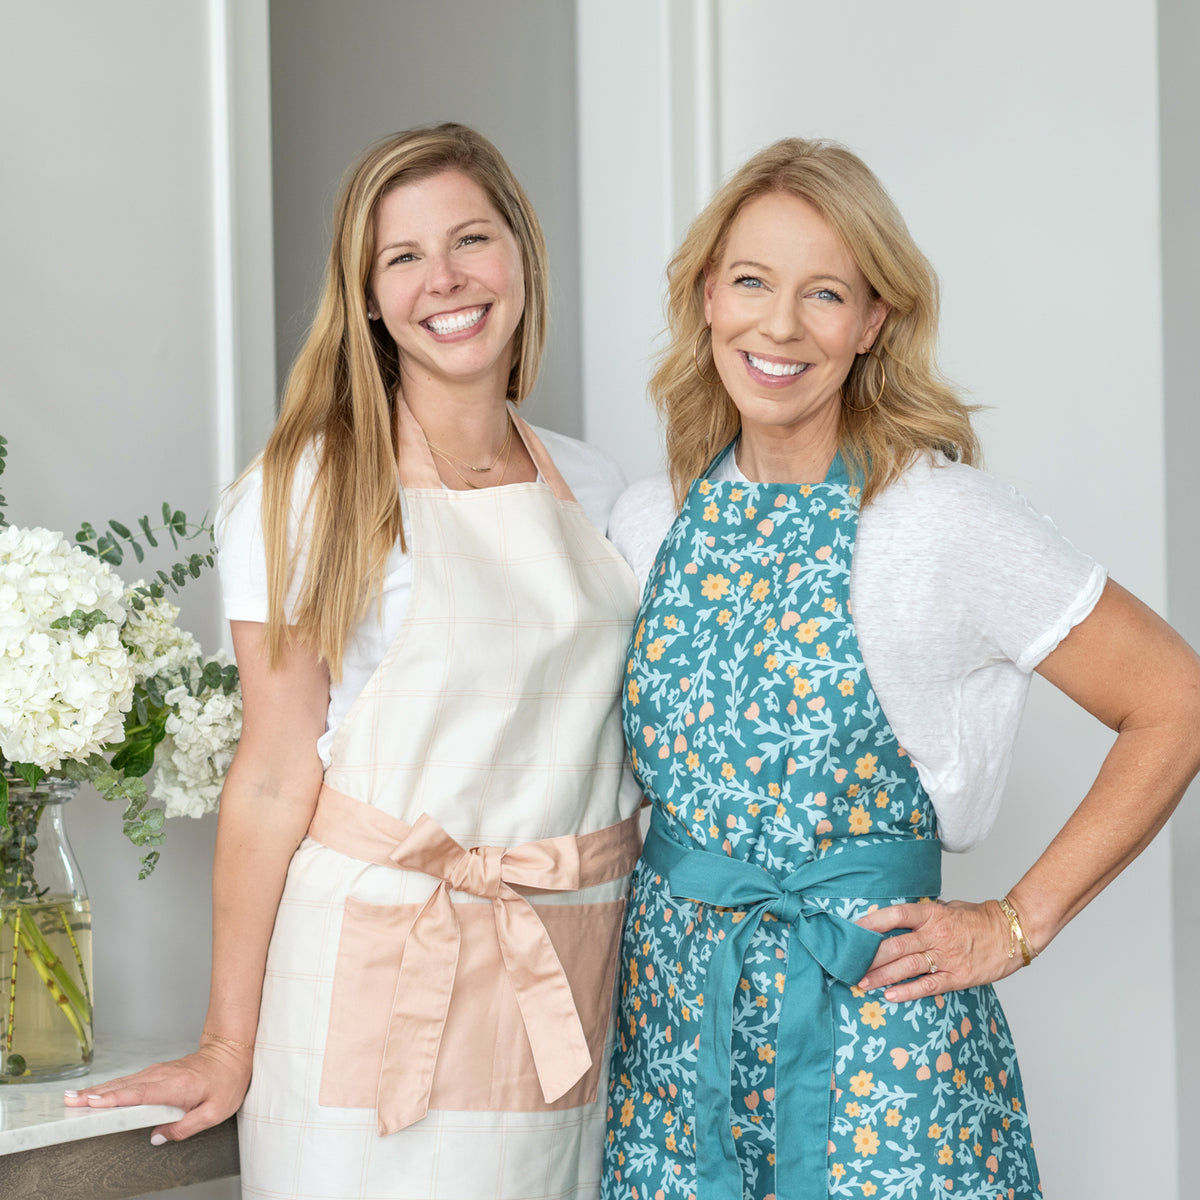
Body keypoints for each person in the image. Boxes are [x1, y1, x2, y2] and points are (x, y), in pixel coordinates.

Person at [600, 137, 1200, 1200]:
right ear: (706, 297)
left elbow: (1175, 699)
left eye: (823, 293)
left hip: (881, 1049)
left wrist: (1016, 923)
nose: (779, 325)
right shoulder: (652, 521)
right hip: (675, 1043)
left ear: (872, 321)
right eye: (751, 281)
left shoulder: (942, 519)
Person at [65, 123, 644, 1200]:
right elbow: (277, 773)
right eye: (404, 257)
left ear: (521, 256)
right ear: (368, 296)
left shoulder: (601, 486)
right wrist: (226, 1042)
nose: (447, 279)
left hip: (561, 977)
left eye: (472, 239)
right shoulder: (304, 488)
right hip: (372, 972)